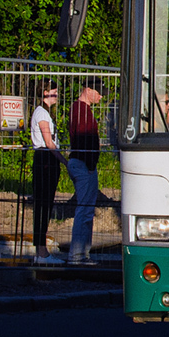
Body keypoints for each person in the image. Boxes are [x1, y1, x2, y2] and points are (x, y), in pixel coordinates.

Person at [66, 77, 104, 265]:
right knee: (84, 210)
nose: (100, 96)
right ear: (88, 90)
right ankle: (77, 254)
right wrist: (90, 164)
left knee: (86, 209)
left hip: (82, 162)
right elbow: (84, 138)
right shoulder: (80, 110)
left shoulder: (81, 110)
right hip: (83, 163)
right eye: (98, 92)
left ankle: (81, 253)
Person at [30, 79, 66, 265]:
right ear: (45, 93)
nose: (56, 95)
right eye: (53, 91)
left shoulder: (44, 113)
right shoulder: (42, 113)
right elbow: (49, 143)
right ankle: (41, 252)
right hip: (45, 159)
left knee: (45, 204)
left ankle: (41, 250)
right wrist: (64, 161)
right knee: (43, 205)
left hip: (47, 159)